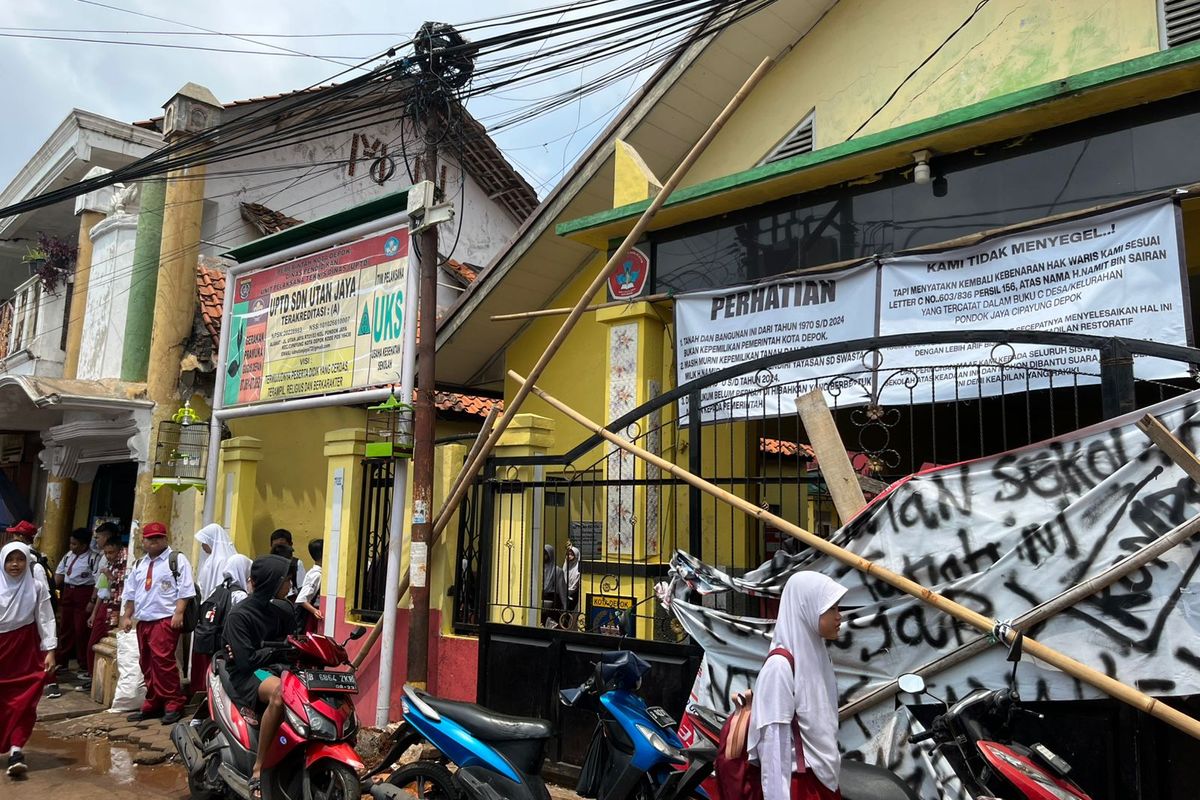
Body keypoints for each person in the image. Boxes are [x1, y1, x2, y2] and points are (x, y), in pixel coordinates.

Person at [748, 572, 846, 800]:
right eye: (831, 609)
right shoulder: (780, 666)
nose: (839, 617)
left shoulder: (819, 657)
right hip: (798, 787)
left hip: (824, 780)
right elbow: (773, 746)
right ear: (806, 608)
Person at [221, 554, 294, 798]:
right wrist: (276, 649)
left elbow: (294, 645)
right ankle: (259, 767)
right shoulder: (239, 616)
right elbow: (246, 661)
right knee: (280, 694)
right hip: (251, 674)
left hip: (278, 669)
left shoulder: (283, 611)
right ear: (273, 582)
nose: (290, 585)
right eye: (285, 580)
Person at [120, 522, 196, 725]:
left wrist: (179, 613)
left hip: (164, 619)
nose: (154, 542)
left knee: (163, 662)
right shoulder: (139, 564)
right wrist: (127, 616)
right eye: (150, 539)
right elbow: (131, 593)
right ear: (143, 541)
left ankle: (173, 701)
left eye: (158, 538)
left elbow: (185, 589)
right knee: (146, 662)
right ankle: (154, 700)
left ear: (165, 539)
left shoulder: (176, 560)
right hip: (144, 620)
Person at [0, 542, 57, 777]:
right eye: (10, 559)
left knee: (24, 700)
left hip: (25, 650)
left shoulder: (36, 587)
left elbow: (45, 618)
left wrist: (50, 650)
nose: (15, 564)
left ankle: (16, 750)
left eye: (20, 559)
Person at [52, 529, 98, 694]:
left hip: (83, 592)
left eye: (75, 544)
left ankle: (83, 664)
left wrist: (92, 601)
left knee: (81, 630)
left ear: (84, 545)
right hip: (68, 592)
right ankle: (62, 661)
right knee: (65, 628)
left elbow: (98, 580)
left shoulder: (94, 558)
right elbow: (59, 575)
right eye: (71, 543)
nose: (72, 546)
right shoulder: (67, 556)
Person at [81, 536, 127, 692]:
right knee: (92, 644)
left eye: (111, 552)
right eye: (106, 553)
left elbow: (123, 587)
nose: (108, 555)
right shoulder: (108, 564)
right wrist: (94, 613)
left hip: (116, 608)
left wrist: (110, 576)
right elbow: (102, 591)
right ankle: (93, 676)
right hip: (104, 607)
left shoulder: (124, 563)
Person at [195, 524, 237, 602]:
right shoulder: (210, 559)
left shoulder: (221, 560)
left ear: (211, 541)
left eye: (204, 542)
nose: (202, 546)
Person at [294, 539, 323, 634]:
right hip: (307, 618)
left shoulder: (316, 573)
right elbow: (301, 599)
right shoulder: (316, 575)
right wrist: (314, 611)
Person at [269, 529, 305, 599]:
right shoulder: (266, 564)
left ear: (290, 545)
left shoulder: (296, 564)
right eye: (276, 547)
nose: (279, 550)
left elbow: (301, 590)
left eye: (282, 546)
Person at [540, 544, 567, 628]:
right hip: (540, 599)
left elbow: (562, 589)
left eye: (546, 553)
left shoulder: (557, 571)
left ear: (550, 554)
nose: (543, 556)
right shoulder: (538, 568)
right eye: (542, 553)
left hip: (553, 601)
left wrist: (565, 606)